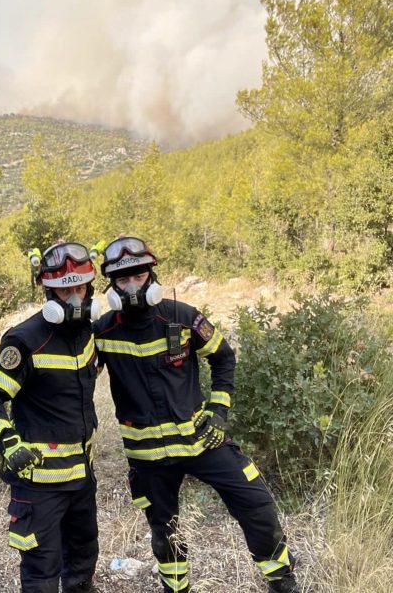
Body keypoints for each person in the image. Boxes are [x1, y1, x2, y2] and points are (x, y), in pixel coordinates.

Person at [93, 236, 299, 593]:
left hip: (202, 440)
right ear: (111, 285)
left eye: (138, 276)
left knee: (256, 503)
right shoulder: (104, 331)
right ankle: (177, 588)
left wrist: (219, 410)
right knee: (165, 531)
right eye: (122, 280)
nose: (131, 286)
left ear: (151, 274)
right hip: (149, 457)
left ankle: (281, 579)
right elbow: (75, 381)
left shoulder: (183, 316)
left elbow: (224, 357)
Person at [0, 242, 101, 593]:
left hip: (82, 480)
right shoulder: (26, 340)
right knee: (42, 572)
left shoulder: (90, 332)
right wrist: (8, 445)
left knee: (84, 560)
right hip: (39, 486)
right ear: (48, 291)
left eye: (80, 288)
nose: (75, 297)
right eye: (65, 290)